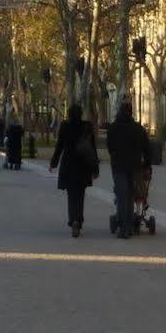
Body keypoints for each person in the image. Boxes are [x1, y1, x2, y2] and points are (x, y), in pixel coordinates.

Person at [49, 103, 100, 238]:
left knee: (72, 194)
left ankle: (74, 220)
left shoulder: (65, 126)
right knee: (81, 194)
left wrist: (53, 163)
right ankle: (79, 218)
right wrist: (95, 168)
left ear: (70, 113)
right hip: (84, 165)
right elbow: (92, 148)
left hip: (69, 164)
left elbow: (59, 146)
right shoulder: (87, 126)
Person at [106, 99, 152, 237]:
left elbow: (110, 147)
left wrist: (115, 156)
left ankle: (123, 225)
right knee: (130, 195)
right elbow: (147, 149)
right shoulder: (138, 129)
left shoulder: (113, 128)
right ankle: (128, 226)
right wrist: (146, 165)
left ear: (120, 111)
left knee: (121, 196)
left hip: (118, 167)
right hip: (135, 167)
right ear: (131, 112)